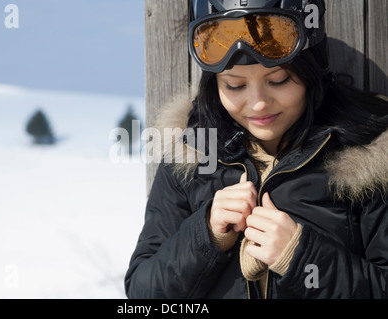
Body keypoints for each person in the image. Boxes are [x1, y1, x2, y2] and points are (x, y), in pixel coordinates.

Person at [125, 0, 388, 299]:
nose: (258, 103)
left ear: (311, 73)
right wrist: (205, 235)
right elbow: (142, 295)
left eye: (278, 80)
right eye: (235, 86)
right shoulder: (190, 155)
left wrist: (301, 258)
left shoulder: (369, 158)